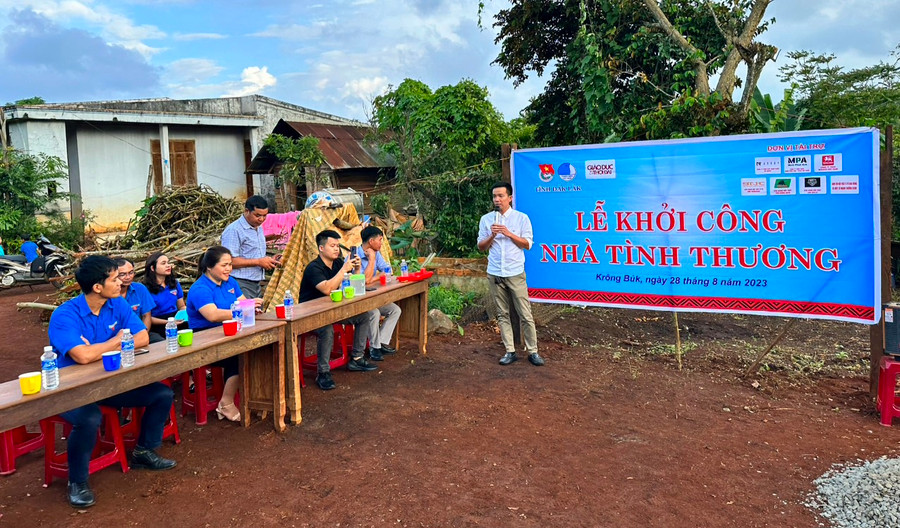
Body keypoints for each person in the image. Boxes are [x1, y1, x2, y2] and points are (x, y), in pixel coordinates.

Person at [48, 256, 177, 508]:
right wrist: (115, 340)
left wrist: (100, 347)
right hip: (69, 388)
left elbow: (142, 338)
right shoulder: (65, 315)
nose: (121, 282)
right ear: (98, 287)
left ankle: (143, 452)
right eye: (115, 278)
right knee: (89, 418)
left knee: (162, 395)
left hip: (108, 383)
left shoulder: (117, 304)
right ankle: (77, 481)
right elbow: (82, 357)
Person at [186, 246, 261, 422]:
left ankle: (257, 396)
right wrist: (244, 309)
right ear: (209, 267)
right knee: (240, 355)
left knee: (257, 349)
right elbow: (212, 315)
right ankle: (226, 403)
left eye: (230, 264)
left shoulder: (231, 283)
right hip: (206, 339)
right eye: (224, 265)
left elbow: (243, 303)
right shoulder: (200, 288)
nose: (229, 269)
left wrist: (252, 306)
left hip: (230, 333)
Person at [299, 229, 380, 390]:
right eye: (332, 245)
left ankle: (356, 358)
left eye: (337, 245)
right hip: (311, 315)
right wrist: (344, 270)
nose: (336, 249)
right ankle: (323, 373)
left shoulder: (337, 263)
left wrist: (356, 269)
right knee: (327, 330)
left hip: (333, 311)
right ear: (321, 248)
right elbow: (328, 289)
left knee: (364, 316)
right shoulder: (313, 268)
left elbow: (355, 286)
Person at [477, 182, 544, 366]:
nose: (497, 199)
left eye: (500, 196)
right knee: (502, 314)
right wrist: (492, 235)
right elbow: (481, 247)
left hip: (515, 272)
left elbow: (528, 244)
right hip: (495, 272)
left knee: (525, 313)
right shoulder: (486, 219)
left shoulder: (521, 219)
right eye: (494, 196)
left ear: (510, 198)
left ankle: (533, 351)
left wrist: (508, 233)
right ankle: (510, 351)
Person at [221, 195, 280, 299]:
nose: (261, 219)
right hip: (239, 283)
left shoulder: (258, 227)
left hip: (256, 283)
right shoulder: (234, 230)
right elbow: (229, 262)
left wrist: (269, 261)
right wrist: (258, 262)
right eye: (257, 215)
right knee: (245, 314)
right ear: (247, 211)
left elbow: (253, 254)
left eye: (265, 215)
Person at [355, 225, 401, 360]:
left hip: (373, 298)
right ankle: (374, 348)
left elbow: (388, 270)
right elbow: (362, 281)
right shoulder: (355, 256)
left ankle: (381, 342)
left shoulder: (377, 253)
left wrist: (372, 278)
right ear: (371, 241)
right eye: (380, 240)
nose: (381, 243)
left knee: (395, 310)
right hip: (358, 301)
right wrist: (372, 261)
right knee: (374, 313)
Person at [142, 252, 187, 338]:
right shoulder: (145, 289)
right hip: (158, 323)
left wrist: (184, 314)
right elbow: (147, 317)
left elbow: (181, 306)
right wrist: (169, 322)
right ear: (152, 268)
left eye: (168, 262)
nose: (168, 265)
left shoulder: (174, 284)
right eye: (163, 263)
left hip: (176, 319)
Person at [115, 258, 159, 343]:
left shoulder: (140, 288)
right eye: (123, 274)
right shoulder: (109, 294)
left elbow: (147, 316)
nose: (128, 277)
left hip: (140, 332)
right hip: (117, 338)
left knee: (159, 341)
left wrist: (143, 336)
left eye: (131, 273)